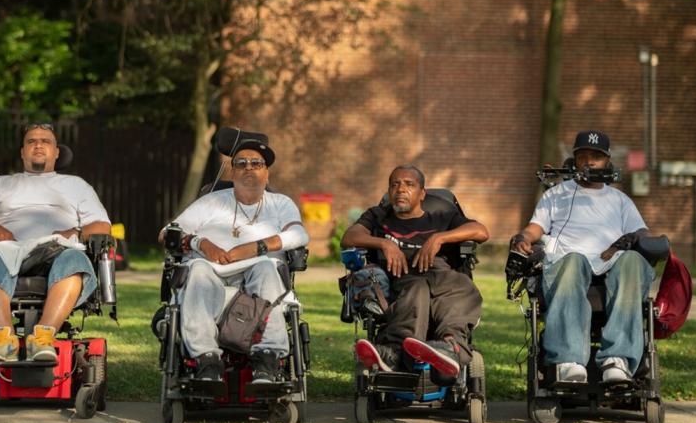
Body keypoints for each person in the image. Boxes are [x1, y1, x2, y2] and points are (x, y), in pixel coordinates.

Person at [163, 129, 308, 384]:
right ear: (232, 172)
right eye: (241, 163)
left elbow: (298, 234)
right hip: (210, 273)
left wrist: (255, 248)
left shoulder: (280, 203)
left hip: (259, 273)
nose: (249, 168)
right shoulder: (212, 201)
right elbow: (168, 232)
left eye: (256, 163)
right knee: (197, 269)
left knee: (266, 268)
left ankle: (267, 360)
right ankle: (207, 361)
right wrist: (201, 242)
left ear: (267, 172)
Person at [511, 130, 652, 385]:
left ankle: (616, 361)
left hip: (612, 266)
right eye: (583, 156)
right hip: (567, 265)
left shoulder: (620, 200)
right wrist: (523, 237)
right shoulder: (555, 195)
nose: (589, 162)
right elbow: (535, 228)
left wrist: (641, 238)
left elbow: (641, 231)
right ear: (574, 160)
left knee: (633, 261)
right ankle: (569, 361)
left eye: (596, 157)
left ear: (607, 162)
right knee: (575, 259)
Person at [0, 123, 110, 363]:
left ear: (56, 152)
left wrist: (74, 231)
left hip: (57, 250)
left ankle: (42, 338)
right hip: (9, 250)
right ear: (22, 152)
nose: (38, 145)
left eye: (46, 141)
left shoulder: (76, 185)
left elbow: (102, 226)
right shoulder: (0, 184)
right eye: (32, 141)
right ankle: (4, 340)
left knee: (74, 260)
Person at [343, 165, 489, 379]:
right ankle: (394, 351)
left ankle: (449, 349)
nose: (400, 189)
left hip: (441, 275)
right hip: (401, 277)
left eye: (409, 184)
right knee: (417, 288)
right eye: (395, 184)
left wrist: (439, 238)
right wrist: (385, 244)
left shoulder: (443, 216)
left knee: (462, 286)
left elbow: (481, 231)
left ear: (422, 194)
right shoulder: (378, 216)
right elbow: (349, 237)